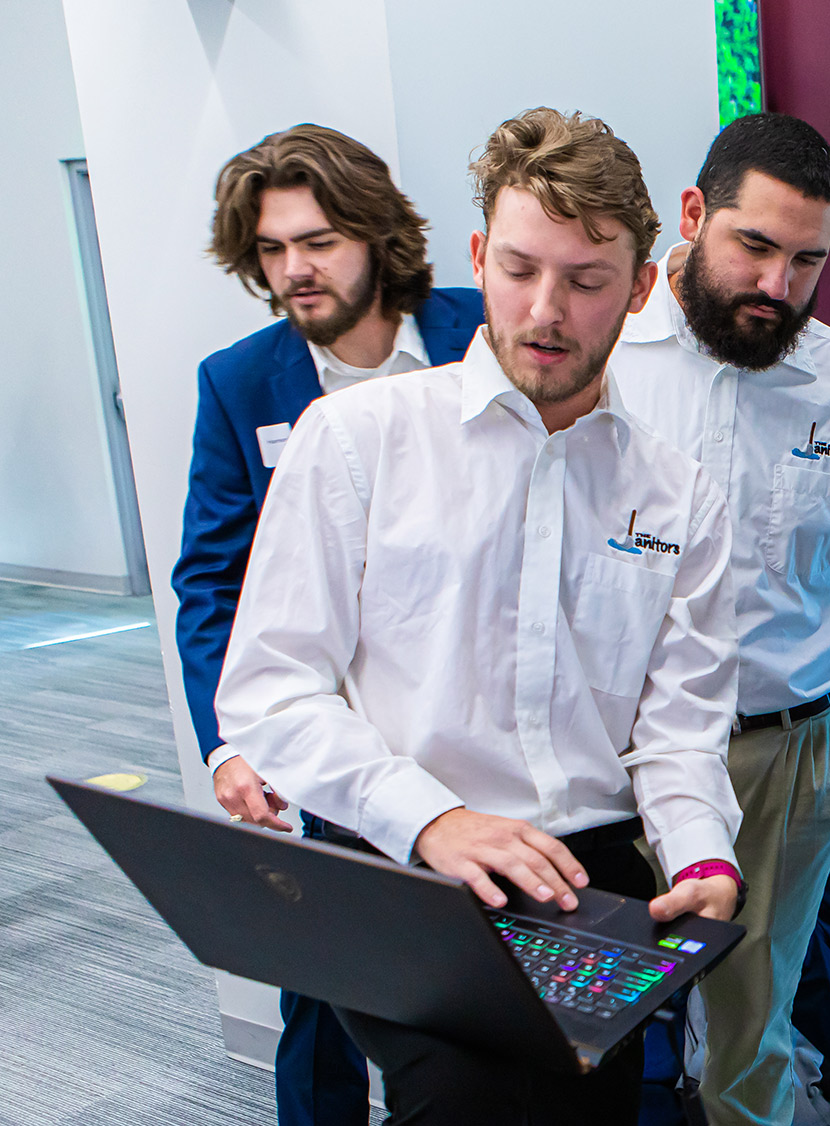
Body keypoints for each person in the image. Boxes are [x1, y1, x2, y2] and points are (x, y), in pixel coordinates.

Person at [214, 107, 743, 1124]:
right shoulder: (359, 441)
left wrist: (702, 854)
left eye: (587, 282)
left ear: (639, 288)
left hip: (591, 868)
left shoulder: (676, 495)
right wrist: (435, 820)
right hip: (411, 859)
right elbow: (271, 690)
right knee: (470, 1098)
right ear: (476, 256)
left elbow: (678, 728)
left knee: (601, 1099)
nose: (545, 310)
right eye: (516, 268)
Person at [610, 112, 830, 1126]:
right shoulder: (602, 360)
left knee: (747, 1044)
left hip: (779, 760)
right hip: (604, 759)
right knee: (607, 1021)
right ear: (693, 214)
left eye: (807, 260)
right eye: (755, 246)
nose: (777, 286)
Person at [171, 122, 483, 1126]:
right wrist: (233, 742)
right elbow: (211, 583)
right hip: (336, 736)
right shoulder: (241, 381)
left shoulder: (480, 331)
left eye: (317, 241)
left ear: (376, 233)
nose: (294, 269)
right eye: (271, 250)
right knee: (321, 979)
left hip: (483, 715)